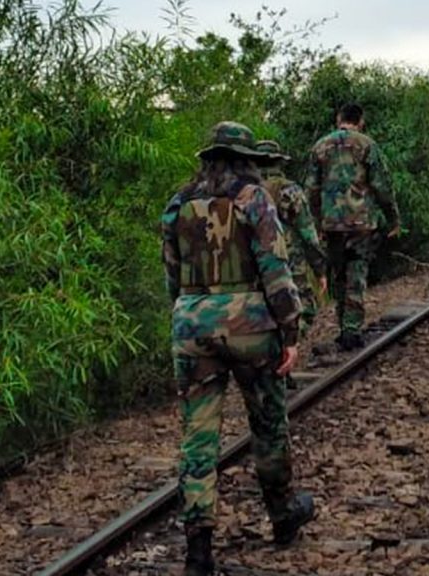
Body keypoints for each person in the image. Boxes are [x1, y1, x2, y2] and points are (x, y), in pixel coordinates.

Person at [161, 121, 315, 576]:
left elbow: (171, 273)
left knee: (197, 436)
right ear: (245, 158)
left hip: (192, 323)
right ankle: (283, 514)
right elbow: (275, 269)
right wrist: (291, 331)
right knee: (268, 422)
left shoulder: (177, 203)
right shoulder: (255, 199)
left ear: (209, 156)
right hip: (251, 325)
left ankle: (198, 549)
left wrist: (191, 312)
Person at [305, 103, 400, 351]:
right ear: (361, 121)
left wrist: (316, 221)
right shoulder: (367, 145)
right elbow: (381, 186)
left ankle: (343, 326)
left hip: (331, 223)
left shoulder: (320, 146)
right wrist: (393, 218)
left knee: (338, 274)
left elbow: (311, 189)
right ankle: (351, 329)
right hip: (361, 221)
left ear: (339, 118)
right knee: (356, 273)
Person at [255, 139, 328, 341]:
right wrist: (319, 269)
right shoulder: (290, 190)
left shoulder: (244, 192)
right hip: (289, 259)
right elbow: (308, 234)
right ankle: (287, 345)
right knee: (304, 307)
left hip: (255, 261)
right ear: (279, 163)